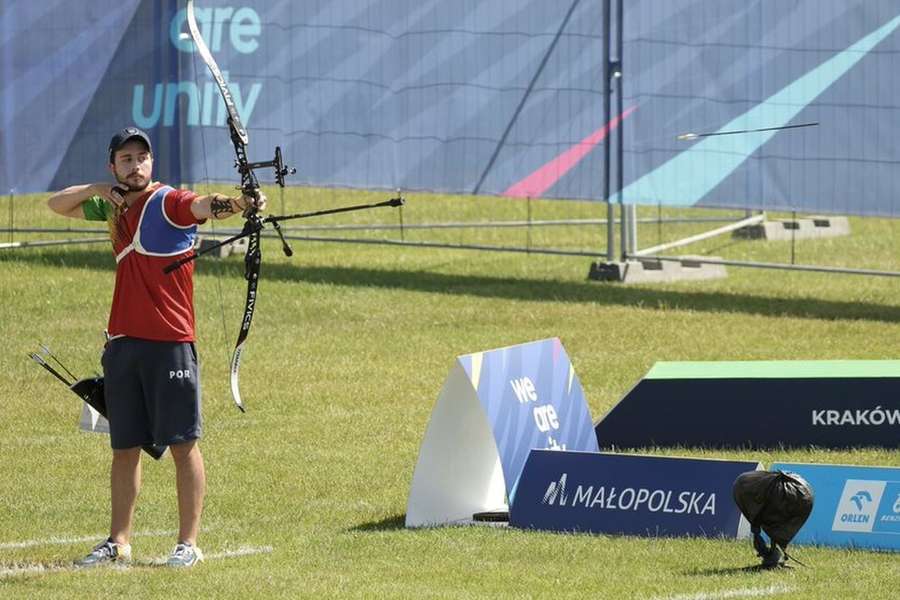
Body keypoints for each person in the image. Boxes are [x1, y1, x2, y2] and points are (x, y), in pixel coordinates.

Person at [47, 126, 266, 568]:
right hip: (123, 343)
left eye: (141, 158)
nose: (135, 165)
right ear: (114, 167)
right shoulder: (112, 207)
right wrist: (96, 189)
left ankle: (188, 543)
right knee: (124, 447)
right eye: (125, 159)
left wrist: (243, 202)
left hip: (169, 342)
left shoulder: (168, 201)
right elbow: (56, 204)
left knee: (183, 443)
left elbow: (205, 206)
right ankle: (118, 542)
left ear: (153, 163)